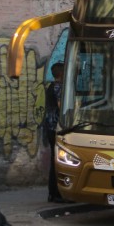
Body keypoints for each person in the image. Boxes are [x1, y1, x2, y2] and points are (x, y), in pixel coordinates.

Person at [44, 62, 67, 203]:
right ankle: (56, 193)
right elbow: (61, 106)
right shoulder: (59, 87)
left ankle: (53, 193)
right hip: (57, 128)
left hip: (50, 128)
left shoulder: (50, 87)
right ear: (62, 74)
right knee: (58, 161)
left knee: (55, 160)